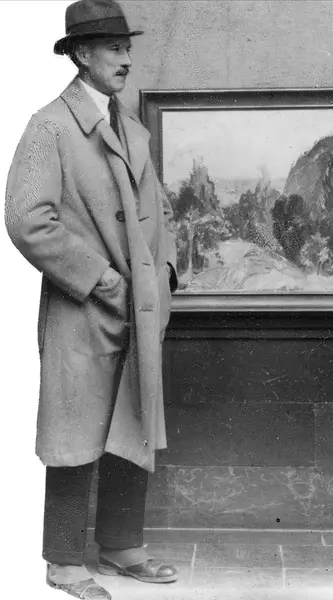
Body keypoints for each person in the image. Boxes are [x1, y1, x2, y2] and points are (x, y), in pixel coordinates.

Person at [4, 0, 178, 598]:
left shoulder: (132, 129)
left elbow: (159, 212)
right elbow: (27, 220)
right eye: (114, 48)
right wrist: (104, 281)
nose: (126, 59)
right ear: (81, 54)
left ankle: (121, 546)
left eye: (128, 47)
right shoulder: (49, 125)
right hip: (82, 310)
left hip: (139, 309)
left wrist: (165, 276)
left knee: (132, 418)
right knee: (74, 431)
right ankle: (63, 561)